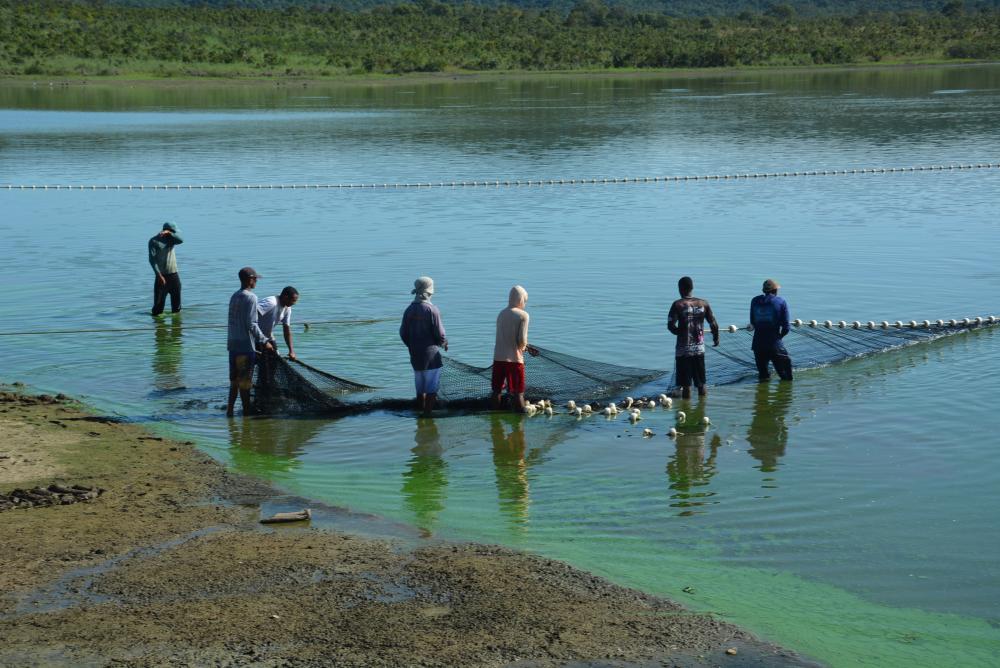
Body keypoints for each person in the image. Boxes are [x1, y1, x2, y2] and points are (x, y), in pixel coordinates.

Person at [226, 267, 273, 417]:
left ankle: (230, 411)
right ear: (249, 280)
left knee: (234, 382)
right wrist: (265, 341)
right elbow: (252, 323)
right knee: (245, 383)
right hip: (245, 346)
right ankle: (247, 414)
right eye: (255, 279)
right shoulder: (251, 297)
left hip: (232, 345)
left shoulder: (234, 296)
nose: (256, 281)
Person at [399, 276, 448, 416]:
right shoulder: (432, 310)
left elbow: (403, 333)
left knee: (420, 387)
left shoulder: (409, 309)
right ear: (429, 291)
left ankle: (419, 413)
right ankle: (426, 417)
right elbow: (440, 334)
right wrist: (443, 343)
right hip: (431, 355)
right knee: (432, 387)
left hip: (415, 355)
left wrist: (412, 345)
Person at [667, 276, 720, 399]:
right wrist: (716, 338)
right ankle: (702, 408)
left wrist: (679, 333)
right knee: (701, 383)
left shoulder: (678, 304)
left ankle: (687, 411)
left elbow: (670, 326)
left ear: (680, 289)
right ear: (692, 288)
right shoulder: (703, 303)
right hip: (699, 349)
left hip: (683, 350)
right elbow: (713, 324)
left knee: (686, 385)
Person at [490, 285, 538, 412]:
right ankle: (520, 427)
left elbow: (505, 337)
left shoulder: (501, 313)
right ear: (521, 299)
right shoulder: (523, 315)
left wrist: (524, 346)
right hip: (514, 360)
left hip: (498, 358)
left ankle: (495, 420)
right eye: (524, 300)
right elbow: (521, 341)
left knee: (497, 391)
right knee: (518, 393)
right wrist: (525, 347)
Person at [750, 278, 793, 381]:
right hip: (775, 344)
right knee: (786, 377)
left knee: (763, 377)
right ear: (775, 290)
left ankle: (762, 396)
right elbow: (786, 327)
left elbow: (753, 322)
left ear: (763, 290)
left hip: (758, 345)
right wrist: (779, 337)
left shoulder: (754, 301)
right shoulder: (780, 301)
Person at [148, 222, 183, 316]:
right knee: (157, 311)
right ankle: (158, 328)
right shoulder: (154, 241)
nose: (174, 234)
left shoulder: (172, 239)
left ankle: (176, 329)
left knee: (177, 309)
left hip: (174, 276)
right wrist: (159, 275)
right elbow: (152, 260)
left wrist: (169, 233)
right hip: (161, 278)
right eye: (173, 232)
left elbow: (181, 240)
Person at [258, 286, 300, 360]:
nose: (294, 303)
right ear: (285, 297)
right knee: (257, 362)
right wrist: (263, 341)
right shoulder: (271, 302)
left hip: (268, 336)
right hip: (253, 336)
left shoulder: (287, 308)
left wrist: (291, 351)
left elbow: (286, 330)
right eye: (293, 300)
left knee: (274, 361)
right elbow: (249, 316)